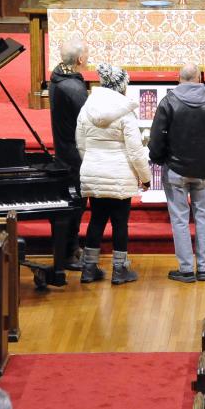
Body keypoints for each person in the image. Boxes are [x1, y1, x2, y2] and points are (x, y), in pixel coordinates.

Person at [148, 64, 205, 282]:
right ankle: (204, 268)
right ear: (200, 78)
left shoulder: (168, 102)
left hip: (175, 170)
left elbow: (157, 137)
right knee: (204, 218)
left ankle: (186, 269)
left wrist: (158, 159)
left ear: (179, 78)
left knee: (179, 219)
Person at [76, 64, 152, 284]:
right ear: (122, 85)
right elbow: (136, 151)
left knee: (96, 220)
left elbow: (81, 143)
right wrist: (145, 178)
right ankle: (120, 269)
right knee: (120, 223)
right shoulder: (125, 112)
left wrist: (90, 162)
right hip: (120, 173)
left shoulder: (87, 107)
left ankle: (89, 268)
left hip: (93, 169)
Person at [47, 37, 90, 279]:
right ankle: (69, 251)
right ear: (81, 59)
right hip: (74, 155)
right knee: (76, 205)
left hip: (64, 148)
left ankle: (71, 248)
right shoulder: (73, 88)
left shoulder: (58, 77)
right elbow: (88, 120)